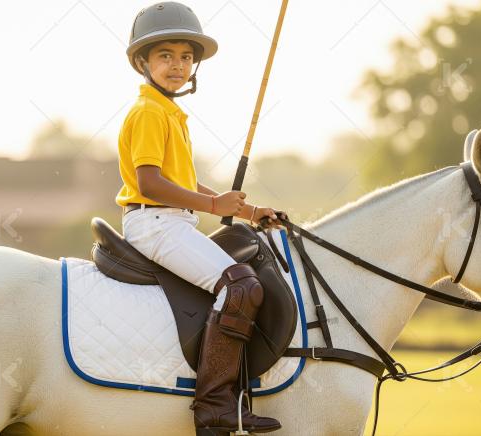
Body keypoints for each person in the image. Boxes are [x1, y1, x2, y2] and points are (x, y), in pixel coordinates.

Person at [116, 2, 284, 434]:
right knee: (241, 285)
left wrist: (247, 210)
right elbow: (150, 184)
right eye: (165, 56)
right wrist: (213, 207)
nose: (178, 66)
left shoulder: (170, 112)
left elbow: (187, 182)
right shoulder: (149, 112)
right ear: (143, 62)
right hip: (153, 222)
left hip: (172, 221)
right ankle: (213, 407)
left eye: (186, 57)